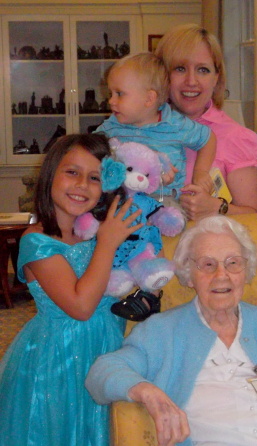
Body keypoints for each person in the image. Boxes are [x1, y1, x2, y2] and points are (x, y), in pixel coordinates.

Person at [86, 215, 257, 446]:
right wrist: (148, 393)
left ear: (246, 270)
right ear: (189, 275)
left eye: (233, 263)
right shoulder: (162, 331)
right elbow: (100, 373)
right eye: (207, 264)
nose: (221, 275)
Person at [0, 134, 143, 446]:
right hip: (59, 361)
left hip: (107, 346)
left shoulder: (94, 231)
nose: (82, 185)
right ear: (51, 174)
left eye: (94, 177)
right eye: (72, 172)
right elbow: (80, 307)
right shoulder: (37, 241)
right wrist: (107, 242)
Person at [155, 23, 257, 219]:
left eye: (203, 70)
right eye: (180, 68)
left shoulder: (235, 137)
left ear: (216, 78)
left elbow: (255, 216)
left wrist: (217, 208)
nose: (191, 81)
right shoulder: (140, 126)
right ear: (162, 76)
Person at [95, 51, 217, 201]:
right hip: (120, 202)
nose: (111, 101)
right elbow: (89, 148)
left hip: (164, 201)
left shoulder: (175, 124)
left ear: (149, 98)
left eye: (119, 94)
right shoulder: (111, 125)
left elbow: (208, 138)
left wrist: (201, 172)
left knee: (173, 220)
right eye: (110, 94)